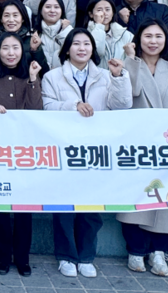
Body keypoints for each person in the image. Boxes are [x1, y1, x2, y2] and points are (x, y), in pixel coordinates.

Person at [41, 28, 131, 278]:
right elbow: (46, 106)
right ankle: (66, 256)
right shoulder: (52, 76)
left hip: (95, 150)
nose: (82, 48)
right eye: (76, 43)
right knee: (64, 207)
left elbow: (122, 105)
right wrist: (73, 106)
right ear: (67, 49)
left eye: (87, 44)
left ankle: (86, 256)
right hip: (63, 149)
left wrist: (119, 77)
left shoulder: (105, 75)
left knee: (91, 207)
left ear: (93, 49)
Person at [116, 20, 168, 277]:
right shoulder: (127, 64)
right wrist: (131, 60)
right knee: (136, 197)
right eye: (147, 36)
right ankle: (135, 250)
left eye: (158, 36)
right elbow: (129, 95)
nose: (153, 41)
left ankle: (160, 251)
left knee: (165, 198)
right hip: (136, 144)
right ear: (138, 39)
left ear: (166, 40)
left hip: (166, 144)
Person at [0, 32, 43, 276]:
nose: (11, 53)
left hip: (25, 151)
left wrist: (33, 80)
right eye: (5, 48)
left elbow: (36, 111)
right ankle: (3, 257)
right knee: (1, 208)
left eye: (15, 48)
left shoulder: (30, 75)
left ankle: (23, 258)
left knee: (25, 208)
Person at [0, 0, 49, 77]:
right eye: (6, 15)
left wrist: (35, 50)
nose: (11, 20)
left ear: (22, 19)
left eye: (15, 15)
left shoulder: (31, 42)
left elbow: (44, 73)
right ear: (1, 19)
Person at [86, 0, 134, 69]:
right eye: (99, 10)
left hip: (120, 74)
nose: (104, 13)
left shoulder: (125, 34)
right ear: (91, 14)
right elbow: (98, 53)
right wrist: (99, 25)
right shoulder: (85, 35)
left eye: (107, 9)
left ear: (113, 12)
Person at [35, 0, 73, 70]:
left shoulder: (69, 31)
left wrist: (65, 32)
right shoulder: (34, 33)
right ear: (41, 10)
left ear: (62, 10)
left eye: (56, 7)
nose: (52, 10)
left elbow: (72, 53)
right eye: (48, 7)